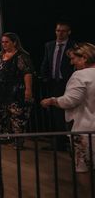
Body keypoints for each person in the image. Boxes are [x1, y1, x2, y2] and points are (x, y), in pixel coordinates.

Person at [41, 42, 95, 198]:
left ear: (84, 58)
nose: (72, 63)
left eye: (73, 59)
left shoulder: (80, 76)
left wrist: (52, 100)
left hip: (84, 129)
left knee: (83, 168)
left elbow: (69, 101)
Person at [0, 33, 35, 149]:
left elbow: (27, 73)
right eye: (2, 42)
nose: (4, 44)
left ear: (14, 42)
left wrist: (28, 89)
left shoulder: (21, 56)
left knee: (17, 117)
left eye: (7, 42)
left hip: (15, 92)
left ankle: (18, 141)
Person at [40, 21, 75, 150]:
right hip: (53, 83)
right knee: (55, 113)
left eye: (63, 31)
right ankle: (59, 142)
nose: (60, 33)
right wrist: (44, 77)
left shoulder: (73, 46)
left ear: (69, 32)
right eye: (58, 30)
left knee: (67, 112)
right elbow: (46, 62)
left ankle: (67, 142)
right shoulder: (49, 45)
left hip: (68, 83)